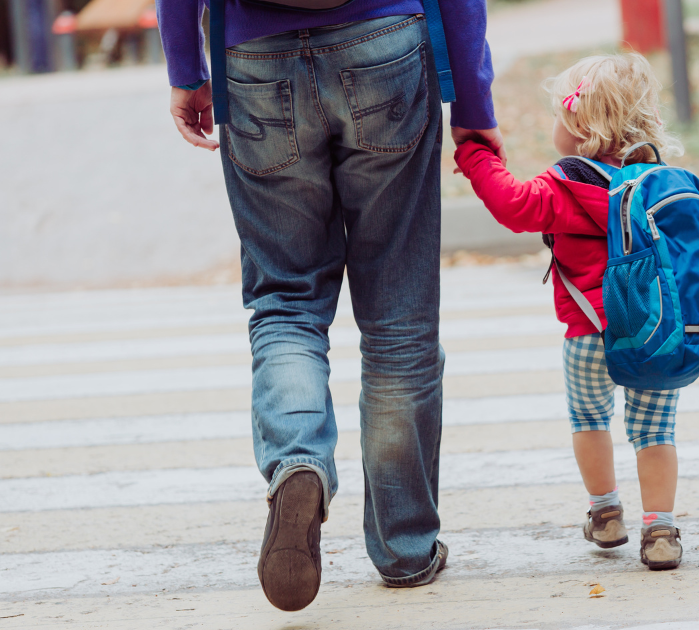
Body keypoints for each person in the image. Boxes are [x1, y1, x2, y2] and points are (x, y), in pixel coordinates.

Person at [157, 0, 502, 612]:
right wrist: (472, 103)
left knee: (285, 300)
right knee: (399, 317)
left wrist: (186, 70)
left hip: (254, 56)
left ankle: (299, 462)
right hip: (385, 41)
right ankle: (405, 547)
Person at [453, 53, 687, 571]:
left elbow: (513, 204)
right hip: (655, 335)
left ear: (580, 128)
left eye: (560, 116)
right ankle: (661, 528)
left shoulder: (568, 185)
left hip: (588, 334)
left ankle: (605, 514)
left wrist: (475, 155)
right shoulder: (659, 183)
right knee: (655, 431)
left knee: (589, 418)